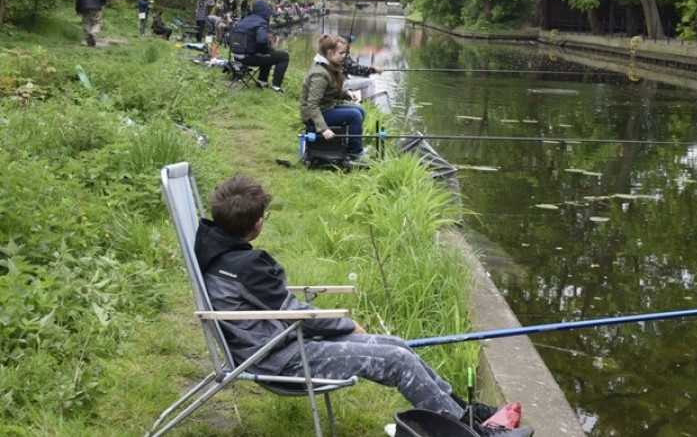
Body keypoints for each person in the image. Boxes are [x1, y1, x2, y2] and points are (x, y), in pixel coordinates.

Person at [194, 175, 533, 437]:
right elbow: (299, 316)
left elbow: (284, 310)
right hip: (282, 360)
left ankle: (464, 414)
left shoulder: (216, 250)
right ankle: (468, 432)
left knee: (397, 345)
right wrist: (347, 325)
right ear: (257, 223)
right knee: (397, 361)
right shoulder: (246, 267)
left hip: (277, 343)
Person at [300, 34, 367, 160]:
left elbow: (329, 91)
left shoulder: (329, 66)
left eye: (345, 53)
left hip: (325, 108)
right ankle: (355, 153)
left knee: (360, 110)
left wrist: (346, 93)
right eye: (341, 53)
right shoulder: (320, 74)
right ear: (330, 53)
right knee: (355, 115)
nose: (344, 56)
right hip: (313, 115)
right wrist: (323, 129)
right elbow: (312, 105)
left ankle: (352, 148)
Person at [229, 0, 290, 93]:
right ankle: (276, 87)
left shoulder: (244, 20)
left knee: (268, 53)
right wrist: (267, 50)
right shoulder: (261, 22)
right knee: (284, 56)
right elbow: (261, 42)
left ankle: (262, 82)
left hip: (236, 57)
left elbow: (229, 38)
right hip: (248, 58)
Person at [338, 34, 383, 100]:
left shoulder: (339, 53)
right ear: (347, 44)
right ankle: (368, 104)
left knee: (365, 77)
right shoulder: (343, 55)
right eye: (350, 43)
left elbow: (354, 69)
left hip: (342, 80)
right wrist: (374, 70)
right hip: (341, 83)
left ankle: (365, 102)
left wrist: (373, 70)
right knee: (371, 82)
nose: (351, 45)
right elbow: (356, 69)